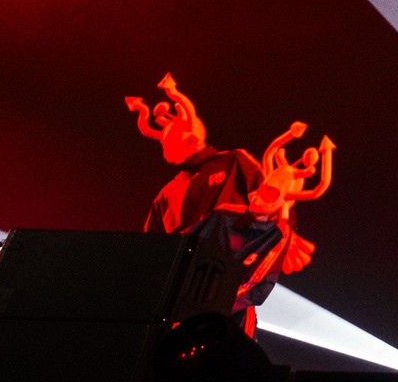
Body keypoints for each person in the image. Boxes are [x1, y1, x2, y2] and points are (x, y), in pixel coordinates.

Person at [127, 75, 321, 333]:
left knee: (225, 344)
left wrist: (286, 231)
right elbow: (151, 246)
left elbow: (267, 198)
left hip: (228, 277)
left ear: (191, 139)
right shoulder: (168, 192)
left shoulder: (233, 161)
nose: (165, 144)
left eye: (172, 140)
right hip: (182, 289)